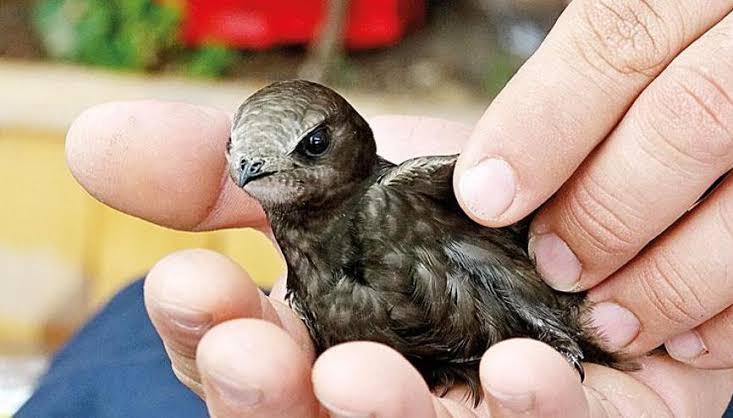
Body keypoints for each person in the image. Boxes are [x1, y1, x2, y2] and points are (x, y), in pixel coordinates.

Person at [19, 0, 733, 416]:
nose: (255, 172)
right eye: (245, 157)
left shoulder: (418, 194)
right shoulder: (300, 276)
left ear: (351, 143)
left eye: (311, 148)